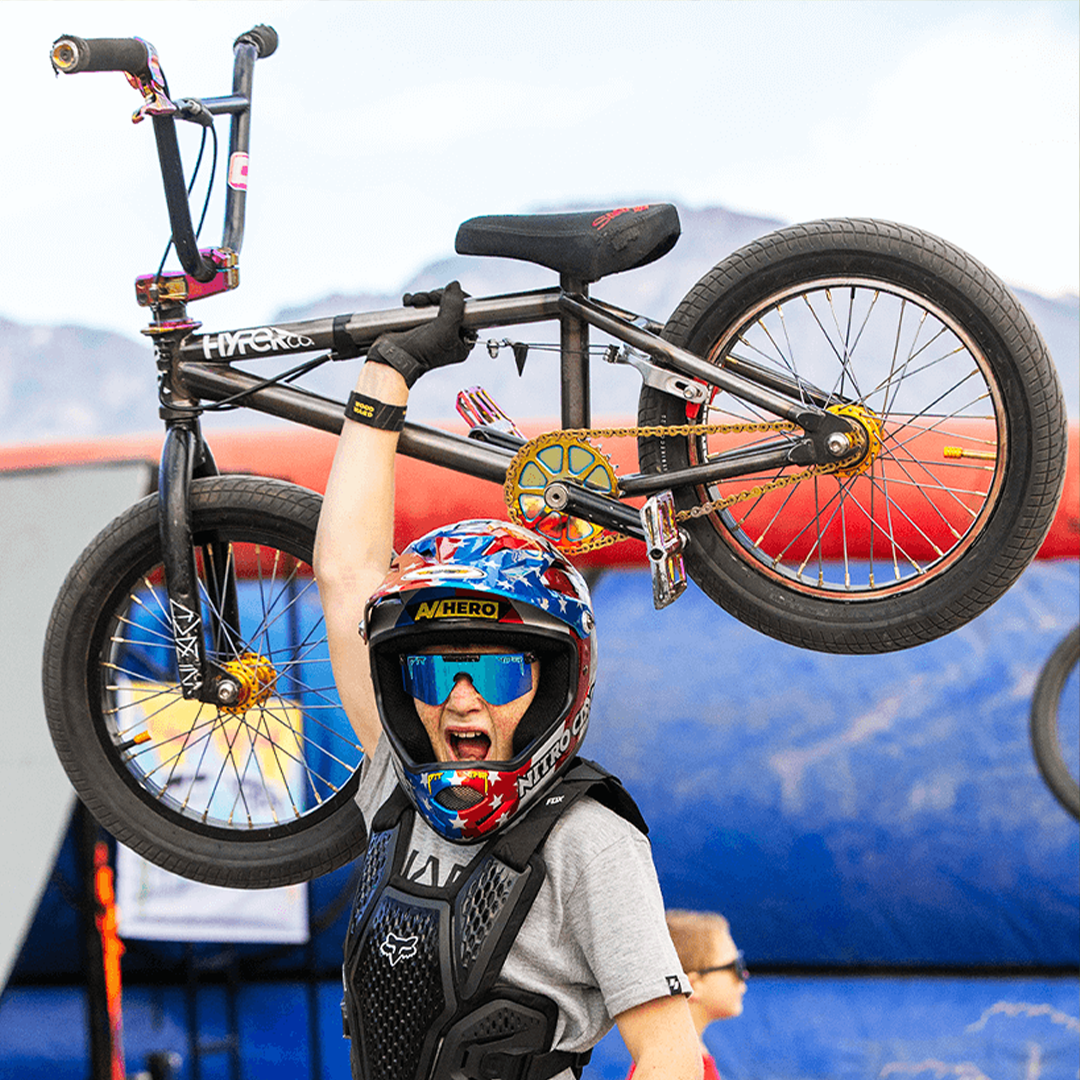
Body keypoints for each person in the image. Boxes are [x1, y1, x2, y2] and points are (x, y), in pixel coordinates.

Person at [313, 282, 702, 1080]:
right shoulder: (393, 788)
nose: (460, 697)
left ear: (554, 682)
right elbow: (349, 577)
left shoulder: (589, 840)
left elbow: (669, 1053)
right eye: (434, 669)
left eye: (492, 669)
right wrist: (388, 371)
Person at [626, 911, 747, 1080]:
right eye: (735, 967)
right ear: (693, 986)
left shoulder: (685, 1056)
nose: (744, 975)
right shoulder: (672, 1064)